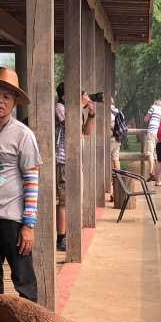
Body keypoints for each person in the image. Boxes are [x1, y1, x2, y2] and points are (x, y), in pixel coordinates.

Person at [0, 67, 42, 322]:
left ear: (15, 102)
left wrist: (28, 224)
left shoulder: (23, 135)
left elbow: (32, 179)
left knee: (23, 280)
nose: (0, 100)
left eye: (6, 96)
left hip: (12, 220)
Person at [53, 82, 95, 252]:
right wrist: (80, 106)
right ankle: (61, 237)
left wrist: (91, 114)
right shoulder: (60, 107)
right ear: (65, 96)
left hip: (75, 161)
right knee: (63, 201)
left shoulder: (74, 110)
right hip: (63, 161)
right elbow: (69, 125)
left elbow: (86, 132)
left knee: (73, 198)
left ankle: (68, 232)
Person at [143, 98, 161, 182]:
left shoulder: (153, 107)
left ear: (155, 103)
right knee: (155, 154)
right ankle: (156, 174)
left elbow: (146, 119)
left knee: (149, 153)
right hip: (158, 134)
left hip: (151, 132)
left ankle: (151, 173)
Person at [109, 98, 127, 174]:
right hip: (118, 138)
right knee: (116, 159)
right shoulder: (119, 111)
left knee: (106, 158)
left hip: (111, 138)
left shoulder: (107, 112)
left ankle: (110, 181)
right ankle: (118, 180)